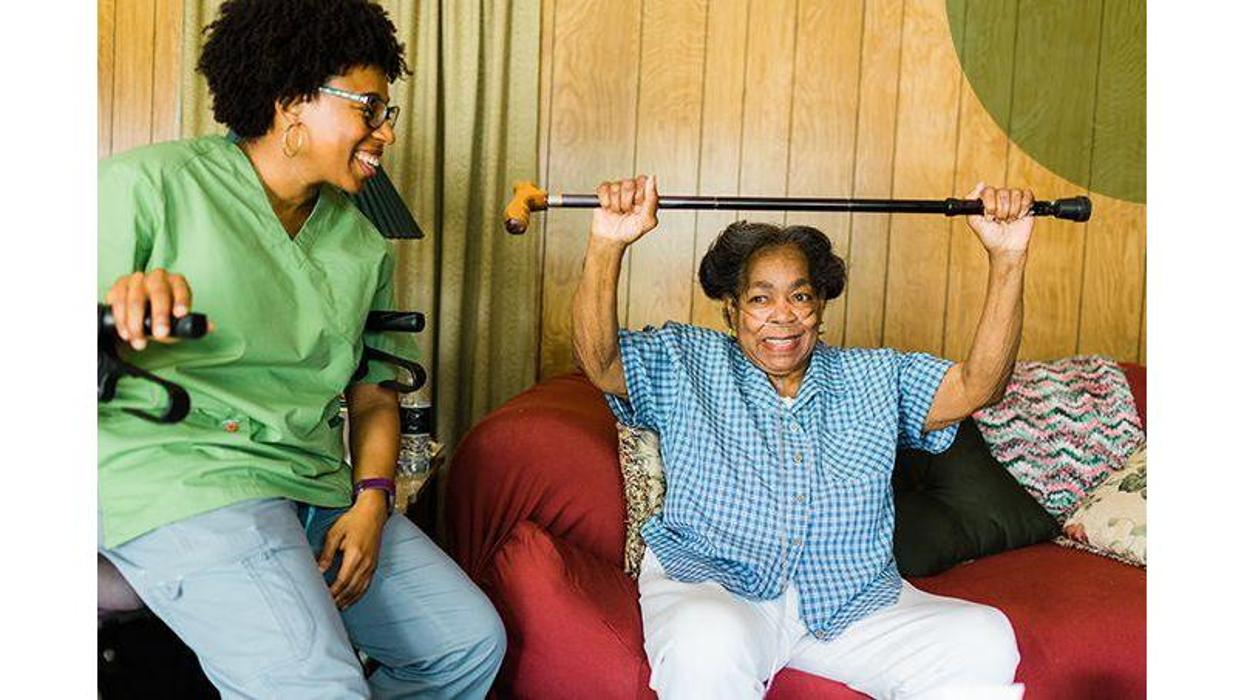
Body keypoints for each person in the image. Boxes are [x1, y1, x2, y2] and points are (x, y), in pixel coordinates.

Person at [97, 1, 505, 697]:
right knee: (320, 685)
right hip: (184, 477)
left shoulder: (362, 243)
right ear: (291, 101)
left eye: (386, 112)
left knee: (464, 644)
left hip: (311, 486)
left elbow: (374, 393)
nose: (385, 131)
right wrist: (115, 312)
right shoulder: (145, 185)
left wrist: (372, 500)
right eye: (369, 109)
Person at [573, 175, 1034, 699]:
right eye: (760, 298)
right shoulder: (683, 360)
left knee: (983, 638)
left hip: (849, 603)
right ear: (732, 309)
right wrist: (608, 241)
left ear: (820, 306)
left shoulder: (877, 376)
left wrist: (1008, 257)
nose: (783, 316)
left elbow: (979, 386)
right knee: (705, 642)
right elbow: (600, 362)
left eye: (800, 296)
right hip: (716, 586)